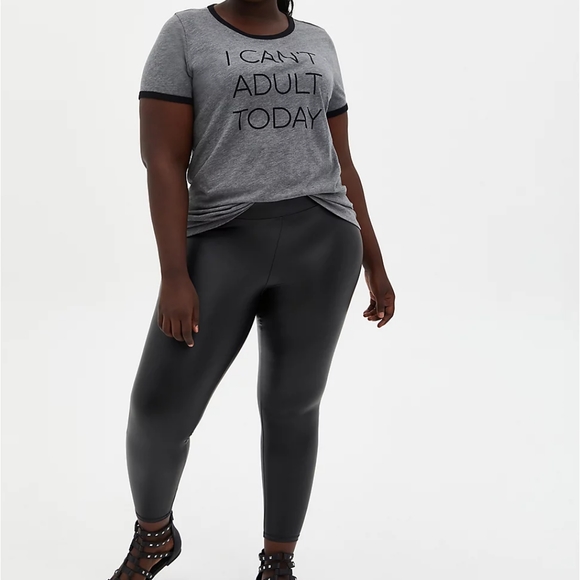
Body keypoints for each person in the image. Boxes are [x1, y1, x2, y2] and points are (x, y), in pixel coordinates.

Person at [108, 1, 396, 579]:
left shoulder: (317, 40)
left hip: (322, 242)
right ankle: (155, 536)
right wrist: (174, 274)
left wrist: (375, 259)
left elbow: (342, 158)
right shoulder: (185, 34)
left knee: (293, 406)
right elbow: (162, 161)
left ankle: (278, 561)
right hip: (221, 243)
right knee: (158, 411)